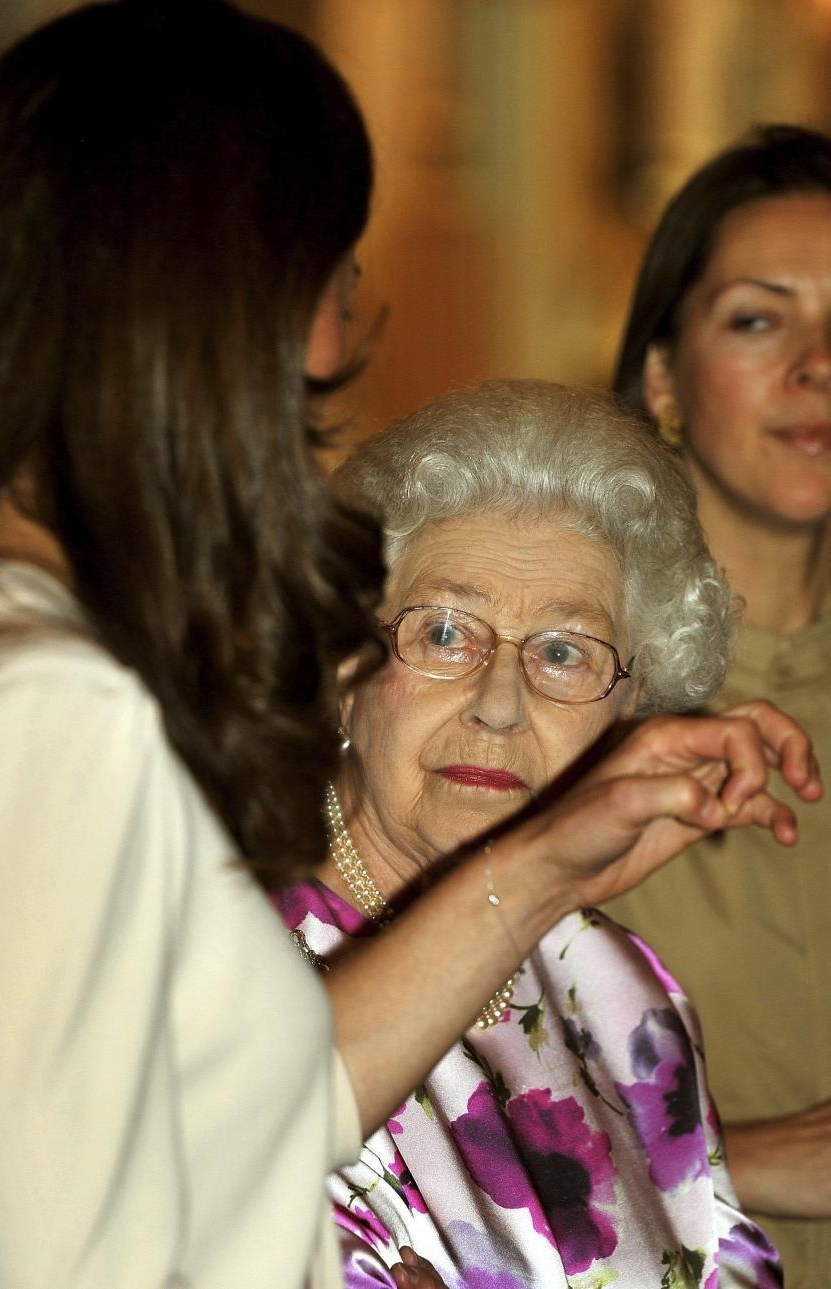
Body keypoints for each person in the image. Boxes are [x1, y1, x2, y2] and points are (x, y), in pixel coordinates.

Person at [0, 7, 819, 1283]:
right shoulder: (48, 704)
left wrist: (544, 863)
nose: (337, 343)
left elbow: (244, 1107)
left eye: (562, 654)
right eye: (324, 293)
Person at [273, 378, 816, 1287]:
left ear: (627, 707)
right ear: (343, 663)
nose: (499, 701)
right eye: (445, 632)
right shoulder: (227, 959)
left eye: (564, 651)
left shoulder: (614, 990)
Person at [604, 123, 831, 1287]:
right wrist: (740, 1159)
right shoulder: (558, 691)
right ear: (659, 374)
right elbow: (394, 1112)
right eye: (758, 317)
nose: (817, 362)